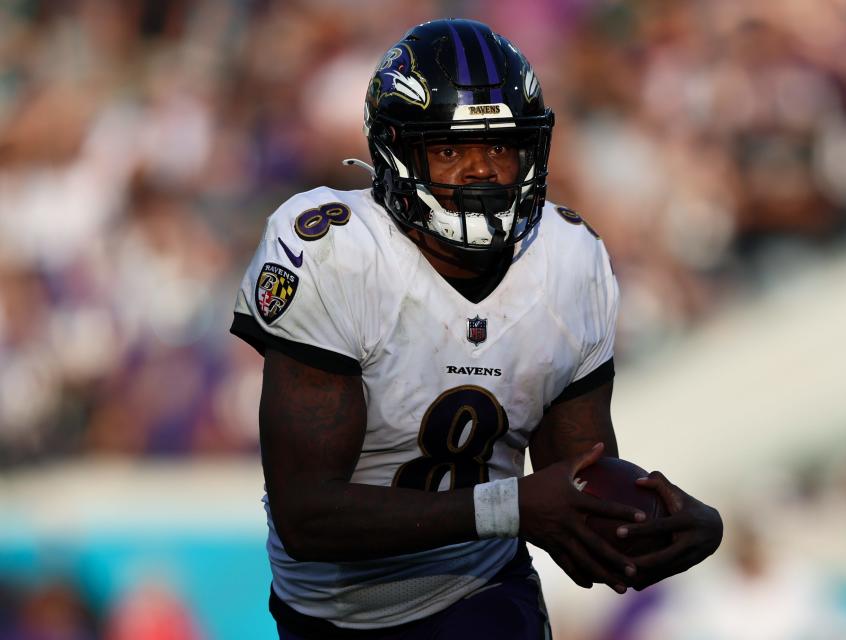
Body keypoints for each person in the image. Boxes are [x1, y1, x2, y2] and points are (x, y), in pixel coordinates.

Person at [230, 18, 722, 640]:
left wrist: (664, 525)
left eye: (499, 146)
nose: (481, 170)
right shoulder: (335, 252)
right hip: (330, 612)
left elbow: (579, 485)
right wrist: (513, 505)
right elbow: (308, 518)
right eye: (449, 149)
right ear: (396, 153)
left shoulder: (568, 258)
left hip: (481, 591)